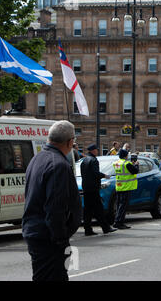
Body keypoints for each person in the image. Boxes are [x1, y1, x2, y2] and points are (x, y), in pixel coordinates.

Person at [22, 120, 82, 281]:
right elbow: (55, 207)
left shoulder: (36, 159)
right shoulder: (59, 165)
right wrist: (60, 238)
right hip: (48, 238)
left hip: (36, 232)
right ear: (70, 142)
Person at [81, 144, 116, 236]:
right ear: (93, 150)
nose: (97, 151)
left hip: (86, 187)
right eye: (97, 150)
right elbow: (95, 173)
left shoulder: (84, 160)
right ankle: (106, 228)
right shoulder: (93, 160)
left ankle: (87, 229)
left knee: (87, 210)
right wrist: (105, 175)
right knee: (98, 208)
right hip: (93, 188)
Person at [113, 149, 139, 229]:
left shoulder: (116, 163)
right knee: (123, 206)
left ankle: (117, 221)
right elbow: (135, 171)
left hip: (119, 186)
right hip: (126, 186)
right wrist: (136, 165)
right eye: (127, 155)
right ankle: (119, 222)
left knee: (118, 205)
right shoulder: (126, 163)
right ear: (125, 155)